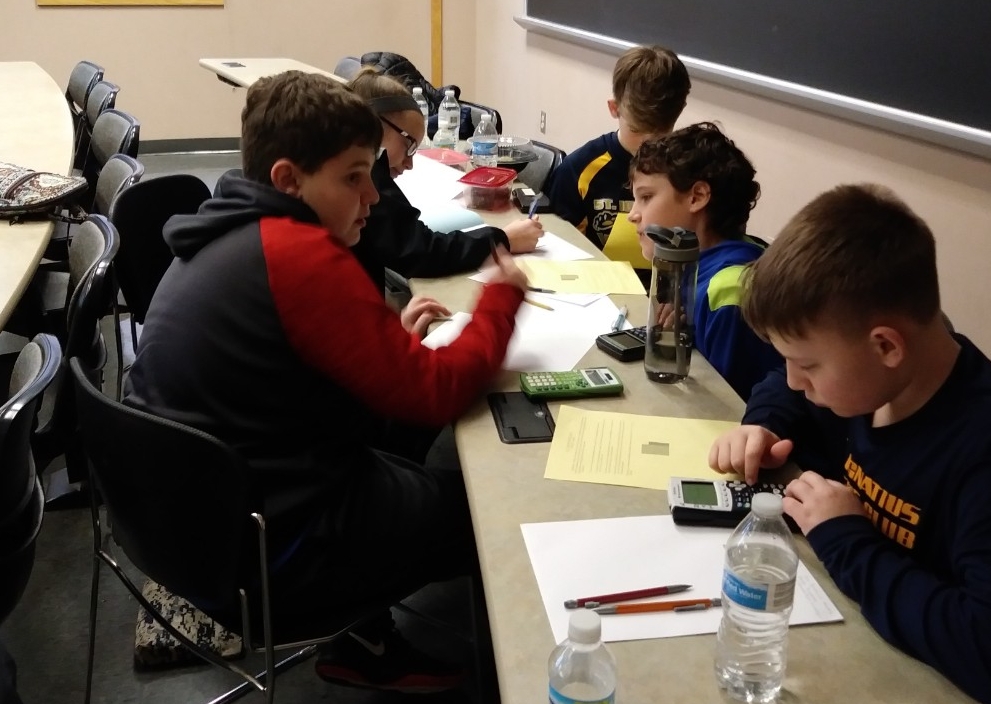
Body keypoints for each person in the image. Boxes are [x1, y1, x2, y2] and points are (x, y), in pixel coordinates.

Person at [124, 70, 528, 693]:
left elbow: (295, 369)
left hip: (186, 530)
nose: (372, 197)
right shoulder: (302, 256)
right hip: (267, 552)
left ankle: (365, 639)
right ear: (288, 180)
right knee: (491, 508)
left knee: (410, 446)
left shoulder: (226, 230)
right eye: (353, 177)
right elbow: (439, 392)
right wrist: (500, 301)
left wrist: (388, 344)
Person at [706, 184, 991, 704]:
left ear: (886, 345)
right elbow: (782, 386)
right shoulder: (868, 380)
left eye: (809, 365)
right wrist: (764, 424)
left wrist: (845, 538)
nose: (795, 381)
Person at [346, 66, 543, 323]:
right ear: (376, 125)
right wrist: (502, 239)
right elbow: (418, 250)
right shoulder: (366, 175)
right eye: (409, 146)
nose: (409, 164)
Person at [627, 122, 781, 401]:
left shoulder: (729, 293)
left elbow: (726, 407)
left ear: (697, 197)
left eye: (646, 198)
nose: (633, 214)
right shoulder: (693, 266)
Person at [547, 45, 690, 279]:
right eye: (637, 130)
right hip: (596, 289)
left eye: (661, 133)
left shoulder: (690, 172)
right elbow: (559, 250)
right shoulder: (579, 169)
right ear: (614, 108)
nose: (648, 144)